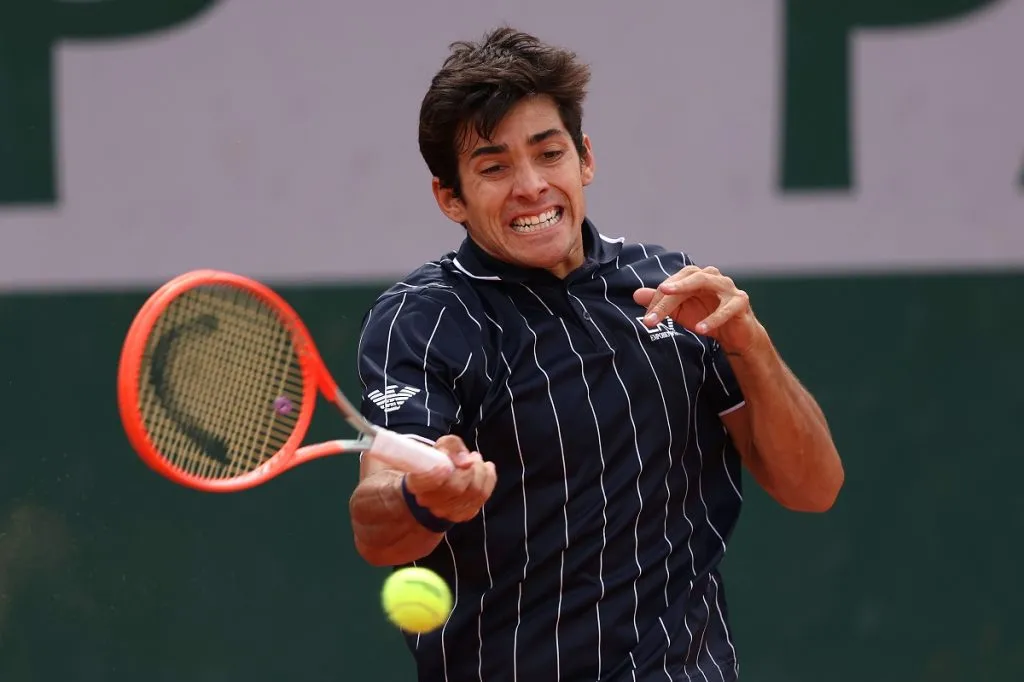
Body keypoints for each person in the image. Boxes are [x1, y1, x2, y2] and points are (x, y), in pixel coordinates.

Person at [348, 26, 844, 682]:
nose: (530, 186)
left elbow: (814, 488)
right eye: (494, 167)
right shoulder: (422, 321)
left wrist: (752, 348)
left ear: (584, 159)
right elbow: (378, 528)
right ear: (450, 197)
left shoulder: (670, 286)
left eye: (548, 154)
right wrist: (427, 498)